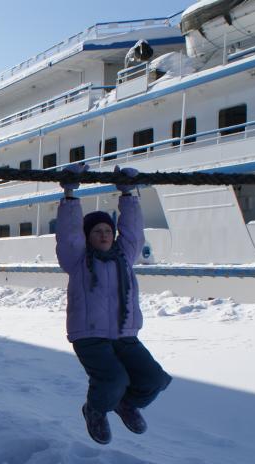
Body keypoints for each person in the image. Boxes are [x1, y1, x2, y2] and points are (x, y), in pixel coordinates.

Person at [55, 163, 171, 445]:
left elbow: (133, 232)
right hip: (90, 336)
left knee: (154, 379)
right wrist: (70, 193)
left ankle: (124, 404)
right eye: (97, 231)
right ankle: (95, 410)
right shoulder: (78, 259)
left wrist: (128, 193)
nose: (105, 235)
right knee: (114, 379)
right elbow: (69, 234)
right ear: (87, 237)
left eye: (108, 230)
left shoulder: (124, 256)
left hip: (124, 335)